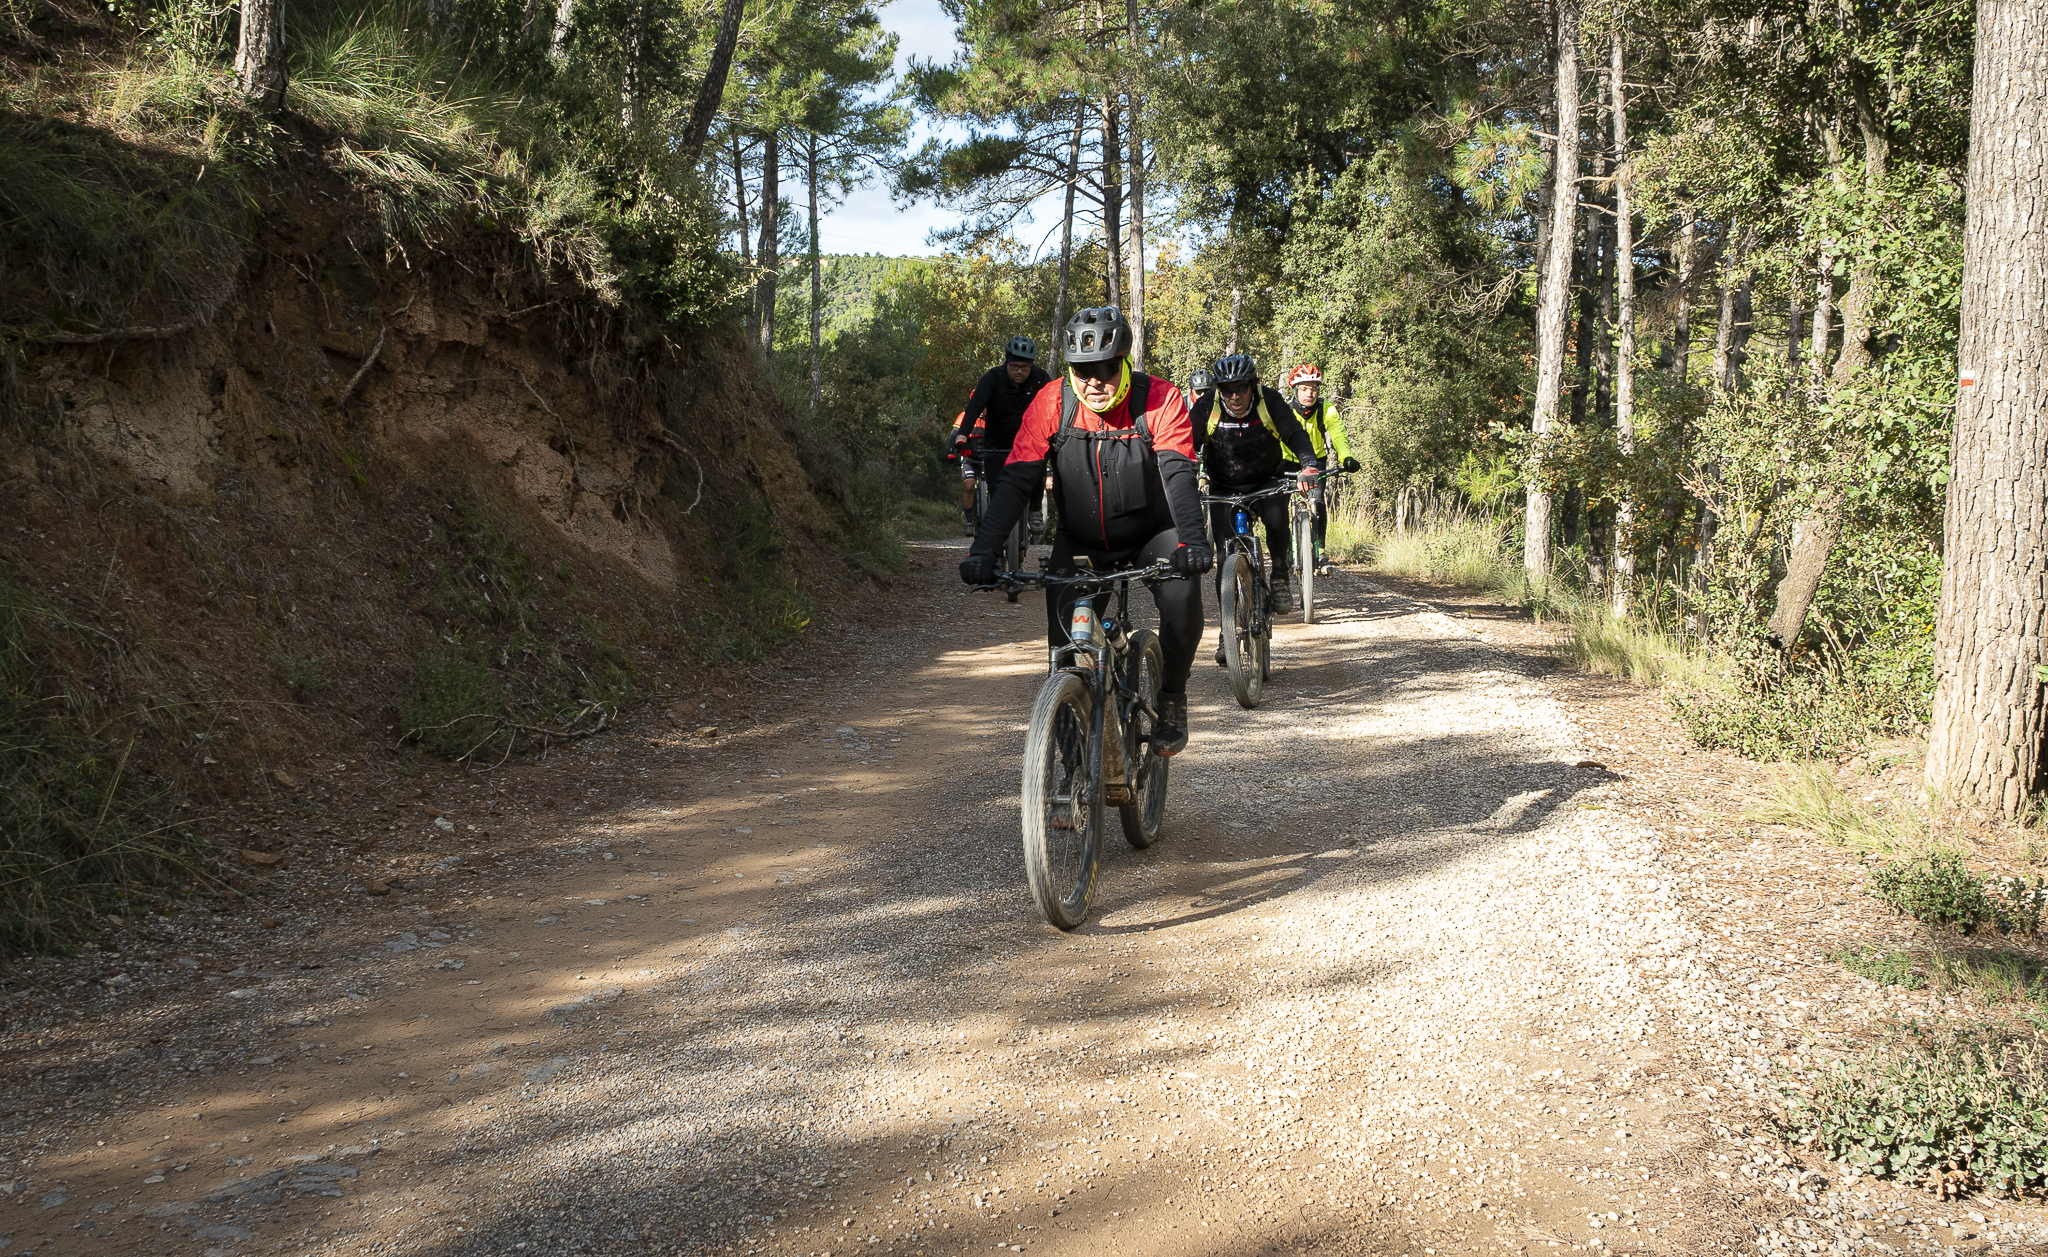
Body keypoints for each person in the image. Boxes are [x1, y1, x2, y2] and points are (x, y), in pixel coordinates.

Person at [958, 308, 1211, 754]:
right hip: (1080, 540)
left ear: (1124, 362)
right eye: (1082, 370)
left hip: (1153, 534)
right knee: (1063, 658)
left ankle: (1172, 696)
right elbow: (1016, 481)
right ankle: (1072, 772)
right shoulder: (1053, 402)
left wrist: (1192, 539)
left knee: (1182, 600)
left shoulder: (1159, 398)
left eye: (1106, 369)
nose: (1094, 381)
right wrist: (984, 549)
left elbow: (1178, 473)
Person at [1191, 353, 1319, 646]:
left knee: (1276, 520)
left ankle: (1279, 575)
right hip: (1223, 487)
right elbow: (1186, 444)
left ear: (1253, 385)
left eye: (1241, 388)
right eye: (1227, 390)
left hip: (1266, 480)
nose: (1235, 396)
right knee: (1224, 558)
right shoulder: (1207, 406)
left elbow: (1294, 434)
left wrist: (1309, 464)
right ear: (1219, 390)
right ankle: (1226, 633)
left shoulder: (1268, 401)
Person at [949, 336, 1054, 536]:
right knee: (997, 491)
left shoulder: (1041, 379)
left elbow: (1055, 407)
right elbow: (974, 408)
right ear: (1006, 363)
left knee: (1039, 466)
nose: (1019, 371)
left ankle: (1035, 510)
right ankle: (998, 535)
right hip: (996, 443)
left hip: (1029, 441)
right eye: (1014, 366)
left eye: (1025, 367)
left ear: (1031, 366)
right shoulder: (992, 378)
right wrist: (962, 436)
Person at [1284, 364, 1361, 571]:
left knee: (1316, 502)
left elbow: (1338, 434)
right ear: (1295, 390)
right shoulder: (1284, 409)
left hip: (1316, 461)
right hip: (1287, 460)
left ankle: (1320, 551)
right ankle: (1285, 548)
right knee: (1279, 505)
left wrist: (1346, 457)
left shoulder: (1326, 409)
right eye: (1304, 389)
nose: (1309, 394)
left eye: (1314, 389)